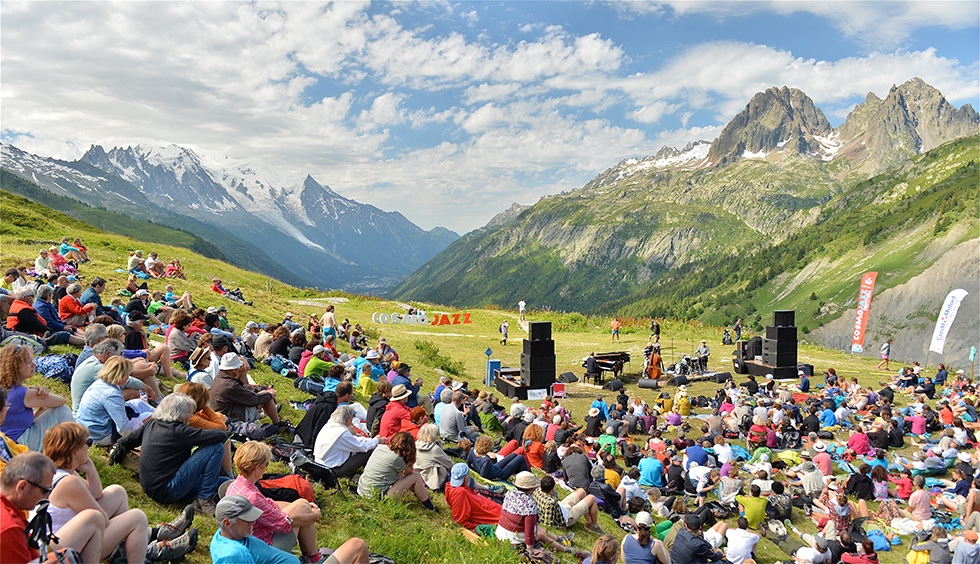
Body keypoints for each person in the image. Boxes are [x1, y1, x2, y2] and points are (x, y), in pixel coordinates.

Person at [43, 422, 199, 562]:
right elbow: (100, 519)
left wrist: (90, 469)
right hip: (67, 551)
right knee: (136, 518)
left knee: (117, 491)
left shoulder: (61, 472)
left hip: (67, 539)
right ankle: (141, 547)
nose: (89, 447)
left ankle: (128, 549)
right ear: (75, 450)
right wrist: (123, 528)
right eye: (88, 443)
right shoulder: (69, 483)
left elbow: (96, 495)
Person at [108, 393, 226, 515]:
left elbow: (124, 443)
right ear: (182, 414)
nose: (190, 417)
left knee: (224, 481)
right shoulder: (180, 431)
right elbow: (221, 434)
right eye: (190, 413)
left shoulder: (152, 424)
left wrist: (112, 462)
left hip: (152, 487)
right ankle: (205, 499)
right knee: (216, 447)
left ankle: (207, 494)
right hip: (169, 489)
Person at [226, 441, 323, 562]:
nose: (267, 468)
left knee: (302, 504)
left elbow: (267, 503)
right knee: (304, 509)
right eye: (266, 464)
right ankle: (314, 558)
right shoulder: (253, 497)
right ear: (257, 468)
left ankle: (313, 557)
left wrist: (297, 506)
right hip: (264, 548)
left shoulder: (235, 485)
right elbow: (284, 525)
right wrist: (314, 516)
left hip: (246, 541)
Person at [2, 451, 99, 564]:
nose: (47, 497)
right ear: (22, 487)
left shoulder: (10, 510)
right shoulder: (9, 529)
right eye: (44, 491)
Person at [0, 343, 74, 452]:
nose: (34, 365)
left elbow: (24, 419)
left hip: (10, 440)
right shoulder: (23, 393)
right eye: (29, 362)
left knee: (47, 411)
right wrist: (38, 393)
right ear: (17, 367)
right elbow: (61, 401)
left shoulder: (6, 387)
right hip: (20, 441)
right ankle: (73, 451)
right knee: (63, 411)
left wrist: (42, 405)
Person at [76, 356, 153, 445]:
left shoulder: (100, 383)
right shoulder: (111, 394)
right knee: (150, 416)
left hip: (92, 426)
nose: (128, 378)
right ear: (122, 376)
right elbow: (123, 429)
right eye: (128, 375)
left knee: (138, 402)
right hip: (101, 435)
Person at [357, 431, 438, 511]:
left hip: (362, 490)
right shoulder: (397, 459)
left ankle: (422, 494)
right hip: (376, 497)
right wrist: (410, 458)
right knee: (415, 477)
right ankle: (429, 506)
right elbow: (410, 472)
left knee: (403, 475)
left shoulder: (380, 447)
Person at [209, 495, 299, 564]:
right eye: (247, 520)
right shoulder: (233, 555)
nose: (253, 522)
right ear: (227, 523)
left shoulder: (229, 534)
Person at [210, 352, 282, 427]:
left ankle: (271, 416)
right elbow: (253, 399)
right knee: (266, 397)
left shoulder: (219, 379)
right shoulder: (230, 385)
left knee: (264, 394)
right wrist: (270, 394)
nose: (238, 370)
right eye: (237, 368)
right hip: (233, 419)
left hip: (225, 413)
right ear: (233, 370)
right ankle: (277, 423)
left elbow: (244, 391)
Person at [314, 405, 381, 479]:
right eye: (352, 418)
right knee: (368, 451)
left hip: (319, 464)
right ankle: (370, 475)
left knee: (368, 445)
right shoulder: (343, 433)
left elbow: (353, 440)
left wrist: (370, 440)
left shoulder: (330, 424)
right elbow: (362, 447)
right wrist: (376, 440)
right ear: (348, 419)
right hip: (332, 470)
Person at [534, 474, 604, 533]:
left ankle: (589, 522)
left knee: (582, 491)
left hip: (560, 507)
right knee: (592, 498)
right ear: (552, 489)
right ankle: (594, 526)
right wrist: (561, 527)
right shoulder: (550, 503)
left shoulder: (537, 491)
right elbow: (548, 523)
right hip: (567, 518)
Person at [444, 463, 503, 530]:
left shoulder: (449, 486)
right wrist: (477, 527)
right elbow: (459, 520)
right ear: (466, 478)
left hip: (496, 510)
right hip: (497, 518)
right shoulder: (460, 493)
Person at [414, 423, 454, 490]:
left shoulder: (416, 444)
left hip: (420, 475)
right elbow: (449, 464)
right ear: (433, 435)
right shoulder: (434, 449)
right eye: (436, 433)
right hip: (433, 480)